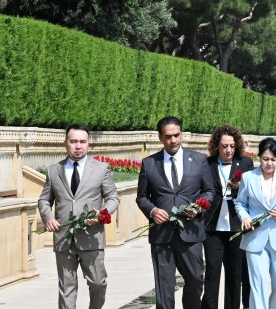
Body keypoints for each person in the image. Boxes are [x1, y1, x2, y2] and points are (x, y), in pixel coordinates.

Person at [136, 116, 216, 309]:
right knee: (164, 288)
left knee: (196, 279)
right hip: (161, 235)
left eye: (176, 135)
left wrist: (198, 208)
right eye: (168, 136)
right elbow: (142, 197)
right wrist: (153, 210)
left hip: (191, 233)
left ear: (182, 135)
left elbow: (209, 191)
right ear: (160, 138)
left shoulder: (198, 160)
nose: (173, 140)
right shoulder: (149, 163)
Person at [38, 124, 120, 309]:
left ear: (88, 143)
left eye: (82, 142)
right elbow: (44, 200)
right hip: (63, 237)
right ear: (65, 143)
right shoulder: (53, 170)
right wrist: (48, 217)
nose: (78, 146)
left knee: (98, 283)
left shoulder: (101, 169)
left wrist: (103, 213)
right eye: (73, 141)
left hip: (92, 237)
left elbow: (113, 198)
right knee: (66, 288)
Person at [235, 138, 276, 309]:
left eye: (273, 159)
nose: (269, 163)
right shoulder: (249, 177)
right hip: (255, 238)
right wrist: (245, 217)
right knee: (258, 284)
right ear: (259, 158)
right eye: (265, 159)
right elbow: (240, 203)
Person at [201, 125, 255, 309]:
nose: (228, 150)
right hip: (212, 227)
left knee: (235, 272)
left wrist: (240, 187)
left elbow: (253, 193)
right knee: (212, 270)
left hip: (236, 226)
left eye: (232, 146)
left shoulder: (245, 163)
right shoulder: (207, 164)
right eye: (224, 146)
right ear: (217, 145)